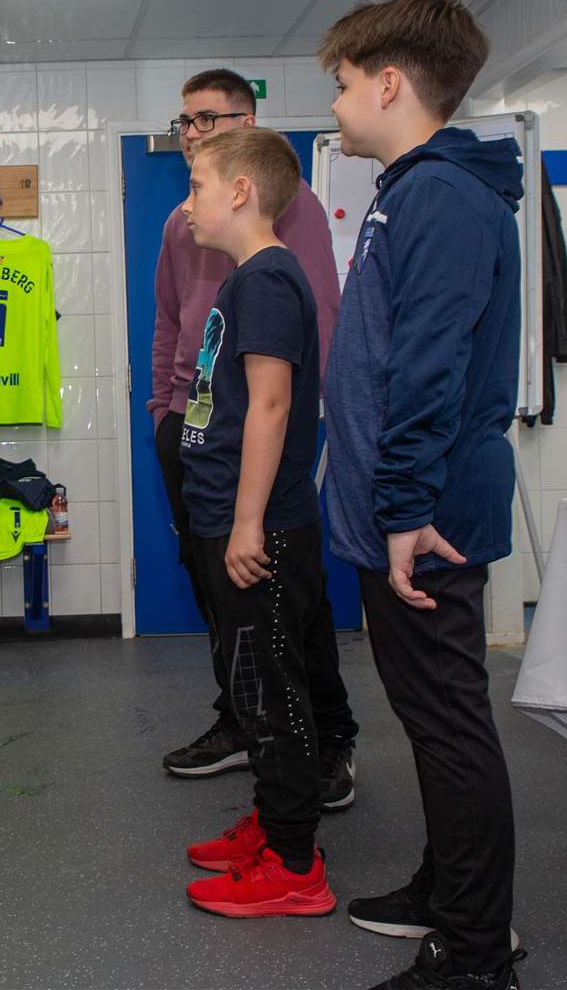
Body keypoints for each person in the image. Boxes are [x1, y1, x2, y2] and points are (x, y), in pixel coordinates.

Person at [320, 0, 525, 990]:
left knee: (447, 724)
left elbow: (427, 369)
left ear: (389, 82)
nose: (338, 103)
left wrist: (400, 508)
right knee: (431, 715)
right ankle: (446, 891)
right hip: (402, 508)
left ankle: (477, 954)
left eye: (345, 83)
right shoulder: (412, 190)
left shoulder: (436, 195)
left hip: (427, 515)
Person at [152, 70, 358, 808]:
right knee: (223, 595)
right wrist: (163, 411)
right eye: (186, 122)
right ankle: (246, 721)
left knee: (283, 596)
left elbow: (318, 317)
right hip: (194, 424)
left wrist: (302, 425)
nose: (193, 134)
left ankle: (325, 741)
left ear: (249, 120)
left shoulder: (287, 206)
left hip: (263, 431)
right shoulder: (186, 218)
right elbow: (172, 320)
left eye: (209, 119)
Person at [169, 128, 340, 918]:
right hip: (231, 516)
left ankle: (295, 864)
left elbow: (271, 404)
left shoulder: (269, 279)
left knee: (271, 694)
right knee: (257, 685)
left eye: (198, 184)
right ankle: (276, 825)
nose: (188, 202)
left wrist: (246, 523)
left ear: (240, 189)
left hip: (258, 527)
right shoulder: (247, 280)